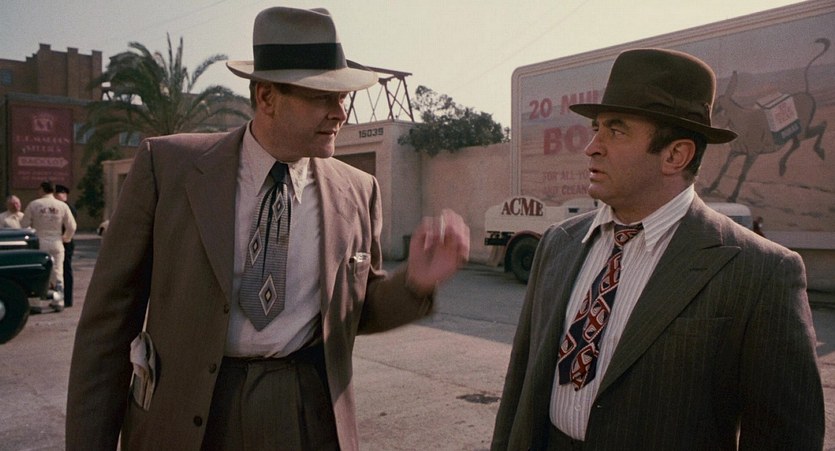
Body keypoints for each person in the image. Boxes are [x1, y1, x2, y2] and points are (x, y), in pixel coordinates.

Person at [67, 7, 469, 451]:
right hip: (185, 419)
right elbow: (108, 327)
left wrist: (414, 283)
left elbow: (354, 312)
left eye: (343, 98)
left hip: (305, 412)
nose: (340, 114)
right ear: (266, 97)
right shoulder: (168, 167)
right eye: (322, 97)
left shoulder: (359, 190)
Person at [491, 48, 823, 450]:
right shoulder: (558, 243)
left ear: (675, 155)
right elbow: (519, 389)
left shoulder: (760, 272)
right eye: (596, 128)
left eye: (616, 131)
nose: (592, 146)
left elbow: (784, 437)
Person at [21, 181, 77, 311]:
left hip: (39, 243)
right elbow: (72, 226)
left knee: (37, 272)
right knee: (57, 272)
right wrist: (66, 238)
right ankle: (58, 300)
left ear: (42, 189)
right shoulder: (62, 206)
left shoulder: (34, 204)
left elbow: (24, 225)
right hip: (56, 242)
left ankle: (35, 303)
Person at [54, 184, 77, 307]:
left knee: (65, 270)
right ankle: (60, 297)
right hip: (59, 241)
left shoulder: (68, 208)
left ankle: (67, 299)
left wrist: (65, 239)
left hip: (65, 242)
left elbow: (71, 226)